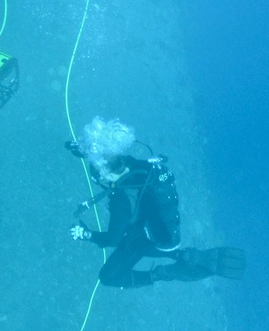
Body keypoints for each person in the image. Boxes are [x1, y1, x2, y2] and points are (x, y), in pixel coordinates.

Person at [65, 121, 245, 288]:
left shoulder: (121, 199)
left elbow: (112, 240)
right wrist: (86, 151)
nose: (99, 181)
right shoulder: (133, 166)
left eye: (98, 177)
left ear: (106, 175)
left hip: (140, 237)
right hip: (154, 228)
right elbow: (109, 159)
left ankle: (160, 274)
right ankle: (183, 255)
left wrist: (87, 235)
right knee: (150, 242)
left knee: (108, 277)